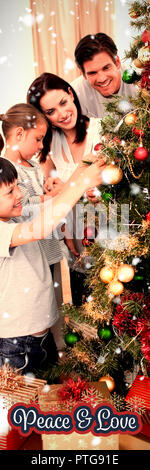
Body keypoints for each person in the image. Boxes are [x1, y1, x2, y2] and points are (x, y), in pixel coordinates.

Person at [0, 153, 106, 373]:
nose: (19, 194)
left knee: (47, 394)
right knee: (22, 403)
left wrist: (81, 169)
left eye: (17, 186)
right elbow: (40, 228)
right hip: (15, 345)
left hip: (39, 335)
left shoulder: (13, 216)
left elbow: (54, 207)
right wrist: (84, 182)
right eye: (10, 191)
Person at [27, 73, 103, 304]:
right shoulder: (49, 145)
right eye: (51, 112)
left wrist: (67, 188)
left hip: (110, 230)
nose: (62, 114)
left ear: (71, 94)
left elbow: (102, 179)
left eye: (62, 103)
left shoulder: (101, 131)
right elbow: (50, 194)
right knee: (84, 306)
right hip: (76, 237)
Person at [71, 33, 138, 118]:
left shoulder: (140, 82)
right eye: (92, 73)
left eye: (106, 68)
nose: (102, 79)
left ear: (117, 62)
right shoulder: (75, 95)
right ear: (83, 74)